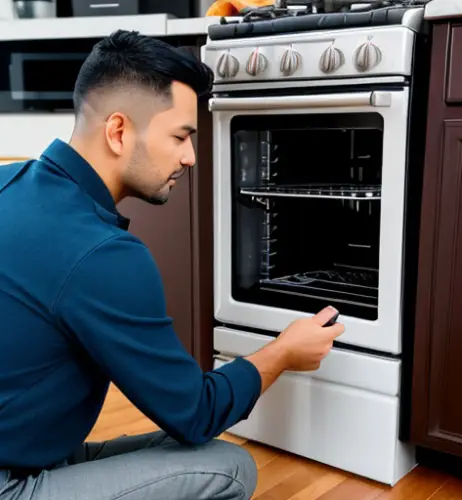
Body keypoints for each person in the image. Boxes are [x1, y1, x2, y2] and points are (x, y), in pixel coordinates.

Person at [0, 30, 345, 500]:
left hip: (23, 449)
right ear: (118, 131)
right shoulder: (101, 254)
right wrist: (283, 351)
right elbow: (196, 412)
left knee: (179, 450)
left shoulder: (7, 180)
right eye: (181, 136)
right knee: (227, 467)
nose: (191, 157)